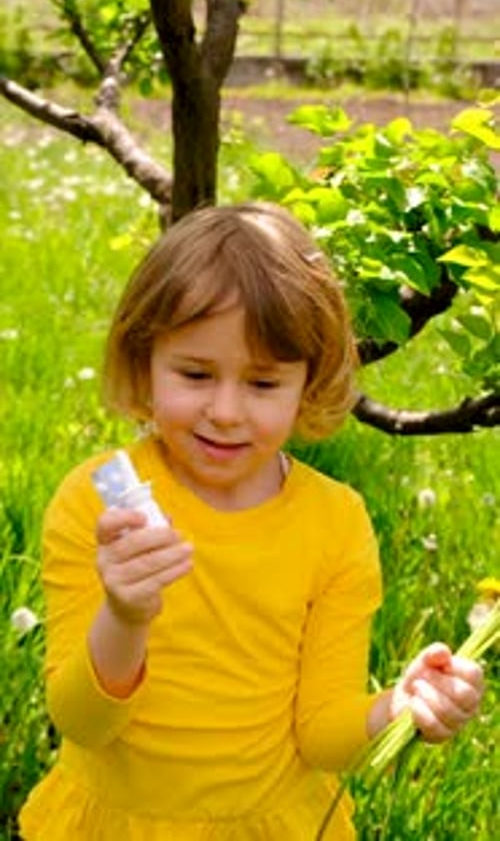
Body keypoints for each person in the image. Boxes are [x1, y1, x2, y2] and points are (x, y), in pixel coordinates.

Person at [19, 202, 484, 841]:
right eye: (195, 374)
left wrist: (394, 709)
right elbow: (81, 722)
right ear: (144, 360)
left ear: (309, 383)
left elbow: (322, 737)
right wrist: (125, 616)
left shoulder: (334, 524)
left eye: (264, 383)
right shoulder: (99, 504)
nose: (227, 411)